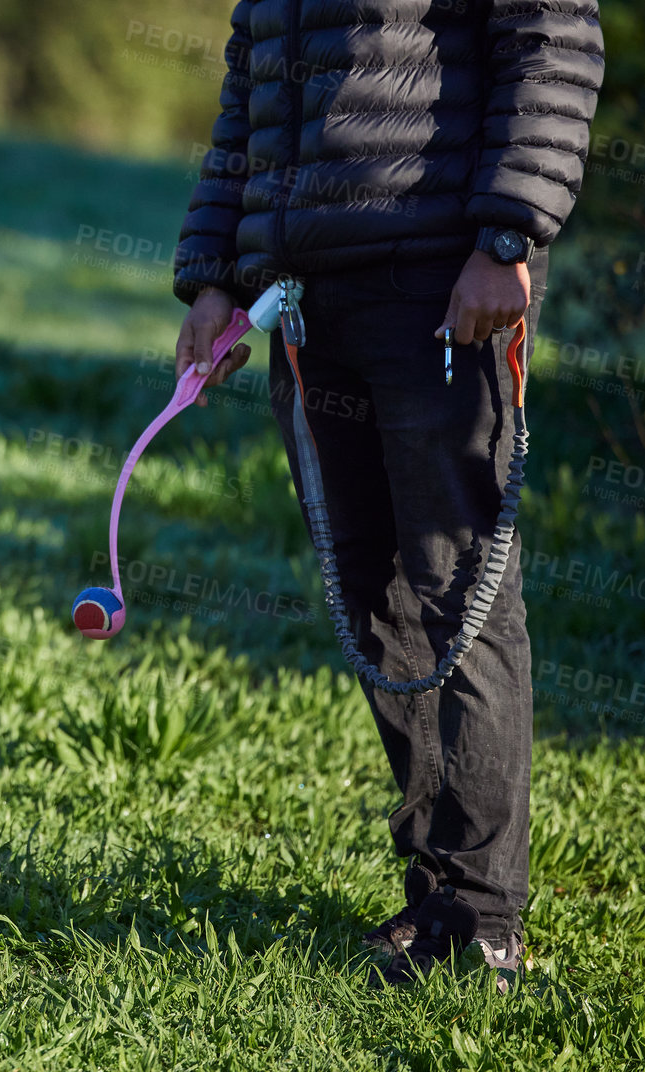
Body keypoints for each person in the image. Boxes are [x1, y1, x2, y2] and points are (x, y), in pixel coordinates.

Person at [169, 2, 604, 988]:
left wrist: (505, 238)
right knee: (374, 602)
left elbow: (551, 40)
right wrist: (212, 277)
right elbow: (249, 97)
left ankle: (484, 921)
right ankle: (434, 894)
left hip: (435, 286)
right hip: (304, 302)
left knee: (463, 596)